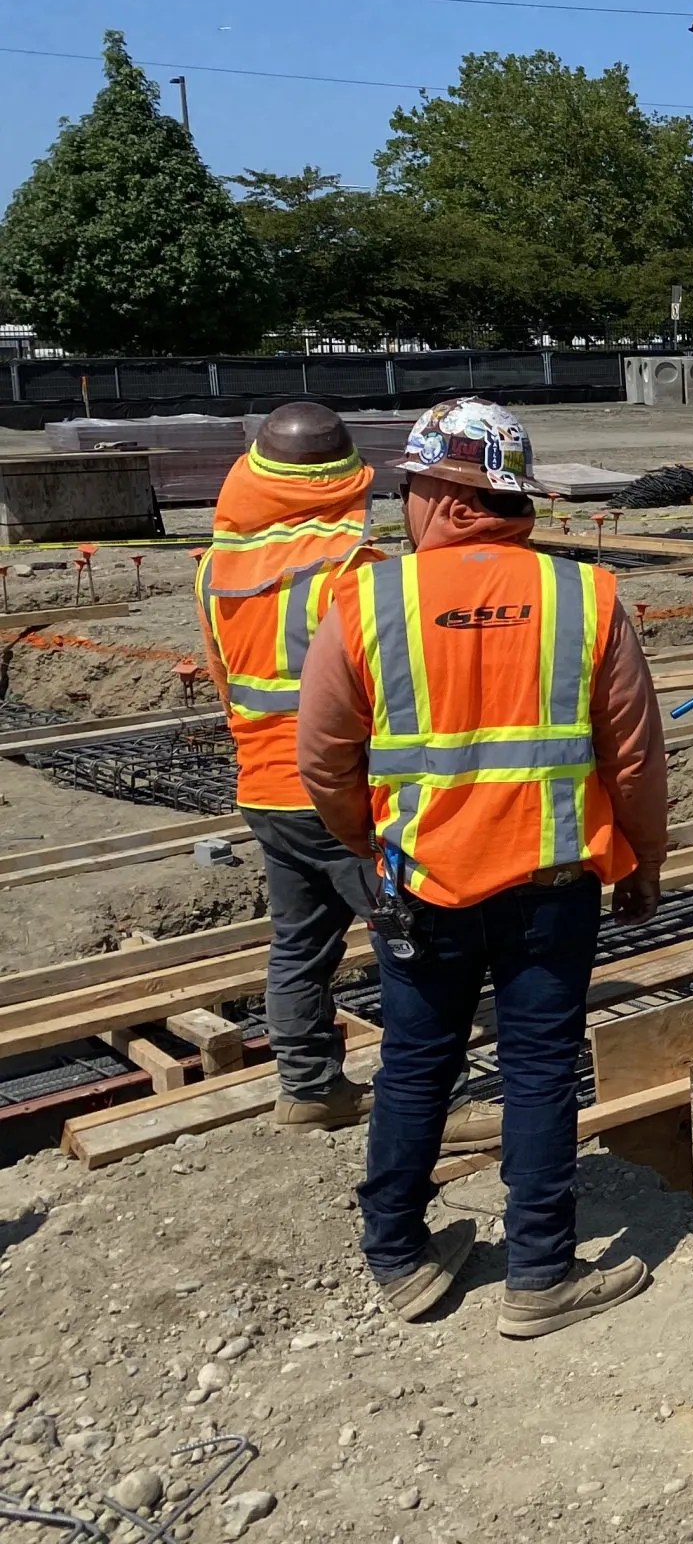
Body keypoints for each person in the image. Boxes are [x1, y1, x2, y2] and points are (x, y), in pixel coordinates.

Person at [299, 398, 669, 1334]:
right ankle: (540, 1273)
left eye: (408, 487)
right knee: (539, 1069)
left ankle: (398, 1257)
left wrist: (368, 846)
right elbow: (633, 759)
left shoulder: (368, 600)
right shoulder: (586, 598)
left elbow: (324, 762)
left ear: (447, 495)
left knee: (415, 1065)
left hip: (423, 885)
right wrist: (644, 862)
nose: (402, 504)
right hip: (552, 886)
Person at [193, 403, 385, 1130]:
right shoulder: (358, 572)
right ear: (348, 479)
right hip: (344, 794)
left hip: (265, 789)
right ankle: (431, 1092)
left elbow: (225, 684)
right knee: (411, 941)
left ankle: (308, 1088)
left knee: (300, 945)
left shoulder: (215, 570)